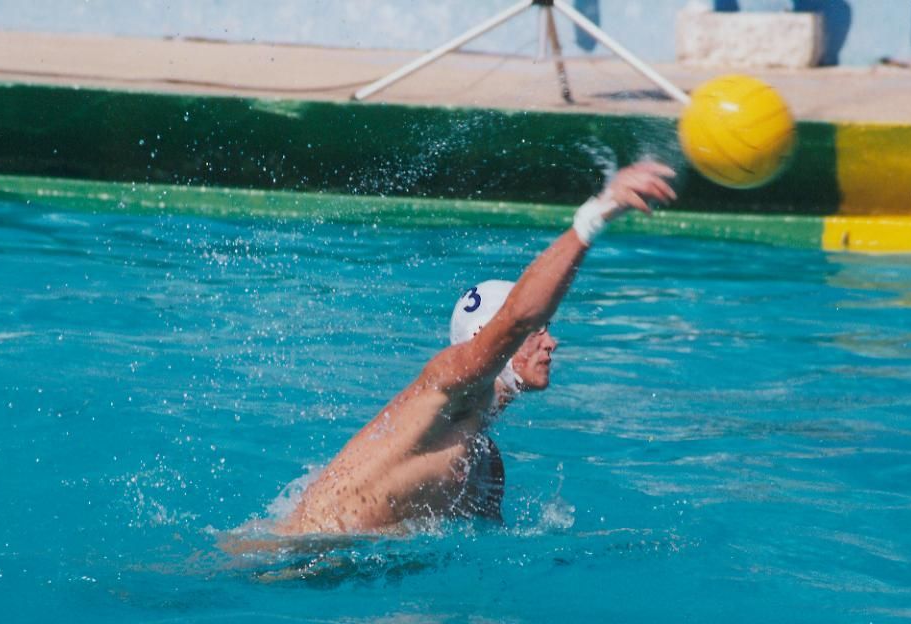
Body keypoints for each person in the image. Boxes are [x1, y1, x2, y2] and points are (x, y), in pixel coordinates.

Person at [272, 161, 676, 536]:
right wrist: (596, 215)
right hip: (283, 562)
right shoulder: (447, 386)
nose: (551, 343)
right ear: (491, 336)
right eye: (538, 330)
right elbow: (517, 315)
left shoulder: (484, 463)